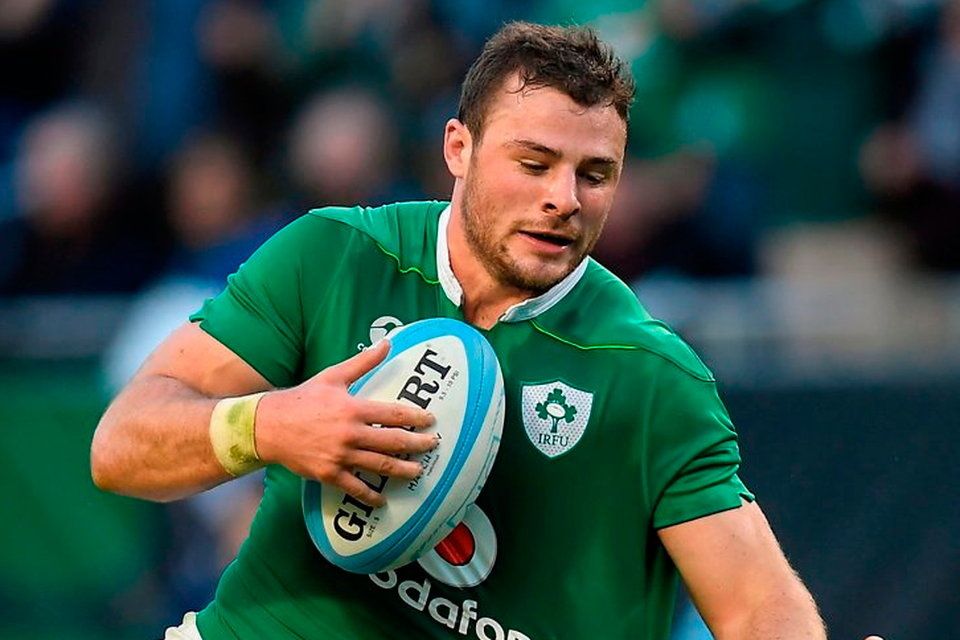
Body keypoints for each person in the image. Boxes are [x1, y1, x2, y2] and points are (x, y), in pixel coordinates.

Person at [91, 22, 878, 640]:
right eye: (534, 163)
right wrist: (265, 425)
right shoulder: (333, 254)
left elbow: (756, 608)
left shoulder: (651, 376)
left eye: (594, 174)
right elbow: (120, 446)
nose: (564, 198)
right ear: (457, 149)